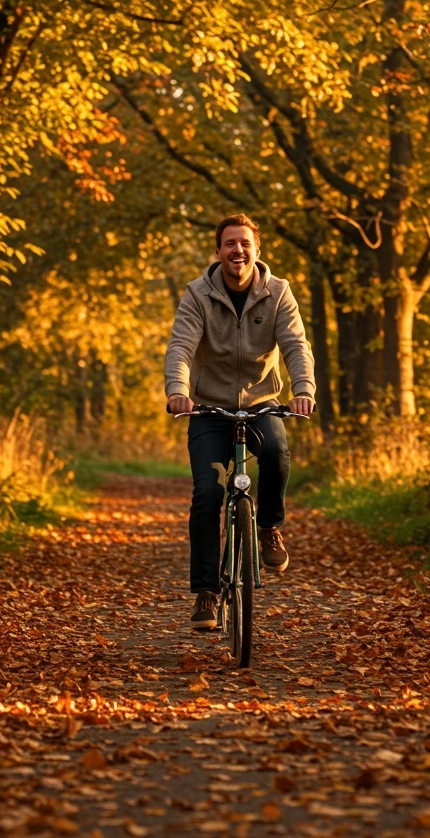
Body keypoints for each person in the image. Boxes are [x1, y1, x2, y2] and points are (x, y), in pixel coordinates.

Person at [165, 214, 316, 630]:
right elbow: (180, 345)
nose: (238, 251)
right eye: (230, 243)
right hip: (209, 408)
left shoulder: (279, 293)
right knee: (207, 494)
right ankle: (206, 593)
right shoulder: (198, 294)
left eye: (245, 243)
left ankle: (268, 527)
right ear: (218, 251)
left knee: (278, 456)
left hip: (263, 403)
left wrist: (303, 390)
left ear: (257, 250)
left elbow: (295, 344)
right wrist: (178, 390)